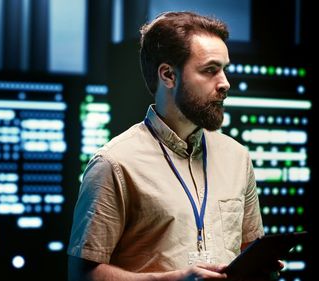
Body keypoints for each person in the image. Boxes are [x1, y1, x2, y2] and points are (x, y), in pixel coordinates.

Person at [68, 11, 280, 281]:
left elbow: (248, 248)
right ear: (168, 75)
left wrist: (262, 269)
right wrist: (172, 280)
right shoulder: (114, 163)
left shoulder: (237, 157)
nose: (225, 83)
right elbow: (82, 276)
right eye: (210, 70)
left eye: (224, 69)